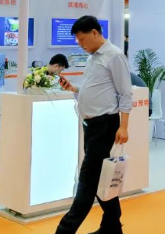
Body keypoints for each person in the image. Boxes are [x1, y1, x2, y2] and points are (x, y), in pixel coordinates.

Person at [56, 16, 132, 234]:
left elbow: (125, 93)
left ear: (95, 33)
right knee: (100, 176)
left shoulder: (114, 56)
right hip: (90, 126)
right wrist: (74, 89)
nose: (80, 44)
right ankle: (112, 226)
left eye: (82, 39)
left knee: (88, 179)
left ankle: (65, 229)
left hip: (105, 125)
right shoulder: (93, 58)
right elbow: (95, 89)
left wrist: (124, 126)